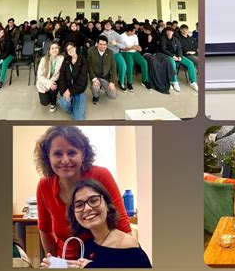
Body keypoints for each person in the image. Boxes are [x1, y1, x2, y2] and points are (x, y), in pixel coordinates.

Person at [34, 126, 132, 260]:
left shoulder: (101, 175)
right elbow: (45, 230)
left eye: (72, 153)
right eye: (57, 154)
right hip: (66, 261)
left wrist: (128, 258)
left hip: (104, 259)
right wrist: (54, 261)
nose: (65, 160)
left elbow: (122, 225)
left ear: (83, 154)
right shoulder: (44, 185)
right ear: (48, 158)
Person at [41, 179, 151, 268]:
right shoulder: (86, 246)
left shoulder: (127, 244)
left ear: (107, 205)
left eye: (93, 200)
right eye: (79, 205)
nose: (87, 208)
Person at [159, 26, 198, 91]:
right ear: (166, 32)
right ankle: (175, 81)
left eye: (171, 31)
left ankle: (192, 82)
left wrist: (179, 56)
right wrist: (173, 56)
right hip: (168, 56)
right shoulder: (163, 39)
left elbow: (179, 49)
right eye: (168, 31)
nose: (169, 32)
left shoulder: (176, 39)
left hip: (177, 55)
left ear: (173, 32)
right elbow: (163, 49)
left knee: (190, 63)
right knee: (173, 63)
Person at [58, 42, 88, 120]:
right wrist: (64, 91)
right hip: (67, 89)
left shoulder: (83, 60)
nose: (70, 50)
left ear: (75, 48)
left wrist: (70, 91)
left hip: (78, 90)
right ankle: (73, 108)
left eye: (71, 48)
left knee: (78, 118)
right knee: (63, 103)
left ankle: (76, 109)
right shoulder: (66, 60)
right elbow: (61, 77)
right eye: (68, 50)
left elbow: (82, 81)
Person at [87, 36, 118, 105]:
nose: (102, 46)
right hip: (95, 76)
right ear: (97, 44)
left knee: (113, 96)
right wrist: (94, 79)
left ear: (107, 45)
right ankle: (96, 96)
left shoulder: (110, 52)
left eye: (104, 44)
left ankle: (105, 89)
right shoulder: (91, 51)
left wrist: (112, 82)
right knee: (95, 87)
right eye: (100, 44)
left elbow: (113, 68)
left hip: (105, 77)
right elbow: (89, 66)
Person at [119, 25, 151, 91]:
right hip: (126, 52)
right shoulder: (122, 36)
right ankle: (129, 83)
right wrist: (130, 48)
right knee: (130, 64)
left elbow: (137, 44)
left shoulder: (135, 36)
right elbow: (121, 48)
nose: (135, 32)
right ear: (129, 32)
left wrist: (139, 48)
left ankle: (144, 80)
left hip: (135, 52)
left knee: (144, 62)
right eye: (133, 31)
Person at [37, 41, 64, 112]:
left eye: (56, 48)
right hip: (44, 82)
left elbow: (60, 73)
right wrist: (49, 83)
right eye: (52, 48)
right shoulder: (44, 60)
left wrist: (52, 82)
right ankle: (49, 94)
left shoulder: (61, 58)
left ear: (58, 49)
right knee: (44, 103)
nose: (54, 50)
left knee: (54, 86)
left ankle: (53, 103)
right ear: (49, 50)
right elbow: (39, 76)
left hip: (55, 80)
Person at [101, 20, 127, 91]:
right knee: (102, 66)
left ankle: (121, 81)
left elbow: (123, 46)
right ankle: (103, 82)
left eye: (109, 24)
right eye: (106, 24)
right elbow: (99, 46)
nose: (107, 25)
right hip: (106, 54)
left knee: (123, 65)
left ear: (111, 26)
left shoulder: (116, 34)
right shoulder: (102, 35)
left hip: (116, 54)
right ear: (104, 26)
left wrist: (116, 44)